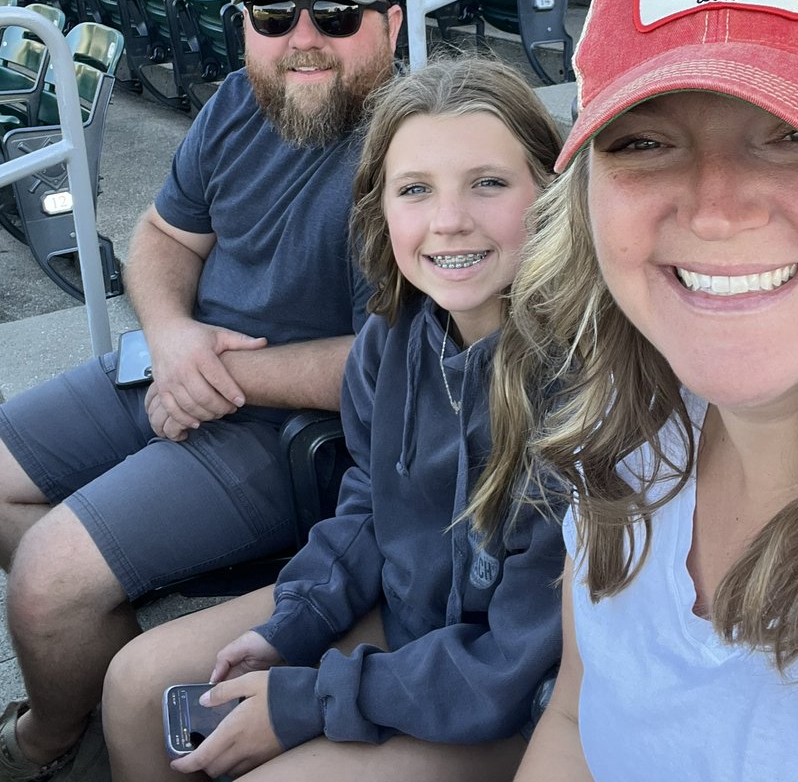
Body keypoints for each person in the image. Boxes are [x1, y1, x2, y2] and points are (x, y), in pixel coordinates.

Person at [491, 0, 798, 780]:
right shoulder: (625, 445)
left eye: (796, 134)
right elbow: (574, 717)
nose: (715, 211)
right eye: (644, 141)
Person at [0, 0, 403, 782]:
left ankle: (46, 743)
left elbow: (394, 363)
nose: (303, 40)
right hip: (179, 364)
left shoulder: (410, 148)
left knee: (46, 579)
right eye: (274, 15)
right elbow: (162, 238)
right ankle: (96, 694)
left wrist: (215, 370)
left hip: (292, 433)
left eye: (336, 15)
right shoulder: (236, 103)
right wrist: (175, 336)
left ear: (391, 25)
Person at [103, 57, 566, 782]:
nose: (449, 220)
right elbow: (369, 505)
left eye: (488, 183)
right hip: (410, 617)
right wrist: (294, 625)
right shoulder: (391, 338)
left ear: (549, 192)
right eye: (415, 189)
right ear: (381, 208)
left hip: (513, 691)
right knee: (136, 687)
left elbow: (514, 664)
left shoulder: (576, 390)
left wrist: (308, 701)